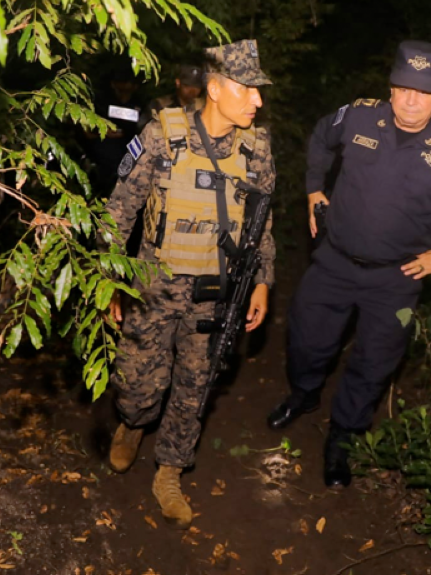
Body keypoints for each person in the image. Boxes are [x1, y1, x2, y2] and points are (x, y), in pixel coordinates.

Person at [267, 41, 431, 488]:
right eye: (403, 88)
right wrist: (314, 187)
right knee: (305, 338)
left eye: (424, 91)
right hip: (334, 261)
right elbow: (320, 136)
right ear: (391, 88)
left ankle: (343, 437)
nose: (411, 100)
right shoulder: (359, 115)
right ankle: (305, 393)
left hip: (395, 279)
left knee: (375, 361)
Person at [104, 40, 276, 529]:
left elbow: (261, 223)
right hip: (152, 285)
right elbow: (120, 209)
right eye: (249, 90)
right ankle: (133, 424)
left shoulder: (256, 148)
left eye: (260, 92)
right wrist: (111, 278)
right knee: (137, 387)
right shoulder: (161, 134)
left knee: (194, 388)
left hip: (215, 292)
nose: (258, 101)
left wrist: (263, 280)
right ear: (216, 89)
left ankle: (170, 472)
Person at [87, 65, 145, 195]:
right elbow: (88, 130)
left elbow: (143, 131)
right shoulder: (102, 103)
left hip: (129, 155)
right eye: (122, 82)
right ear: (113, 84)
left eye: (130, 83)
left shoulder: (139, 104)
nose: (126, 86)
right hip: (103, 154)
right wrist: (102, 132)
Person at [138, 65, 206, 129]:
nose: (192, 91)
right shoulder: (160, 104)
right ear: (178, 83)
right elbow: (142, 128)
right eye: (187, 86)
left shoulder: (202, 107)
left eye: (197, 87)